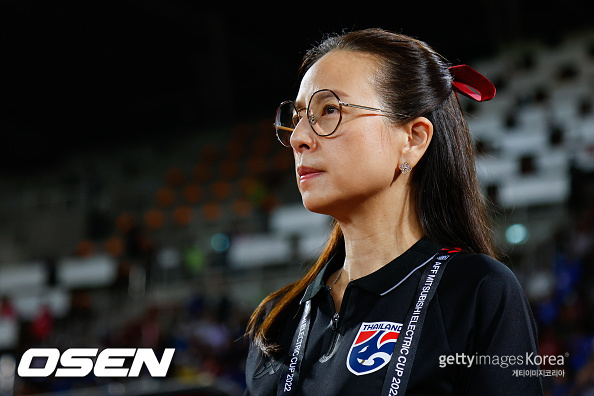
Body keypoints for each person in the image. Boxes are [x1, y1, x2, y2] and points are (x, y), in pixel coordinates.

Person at [244, 28, 543, 395]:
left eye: (330, 110)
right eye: (299, 115)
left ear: (414, 139)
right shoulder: (278, 320)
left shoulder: (479, 291)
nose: (298, 137)